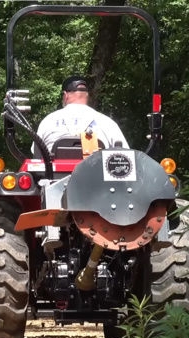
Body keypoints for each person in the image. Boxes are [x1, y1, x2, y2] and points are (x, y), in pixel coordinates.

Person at [35, 76, 130, 252]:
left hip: (54, 184)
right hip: (102, 191)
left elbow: (36, 157)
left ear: (65, 95)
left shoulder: (48, 121)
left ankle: (51, 229)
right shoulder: (107, 122)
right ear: (87, 96)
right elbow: (124, 158)